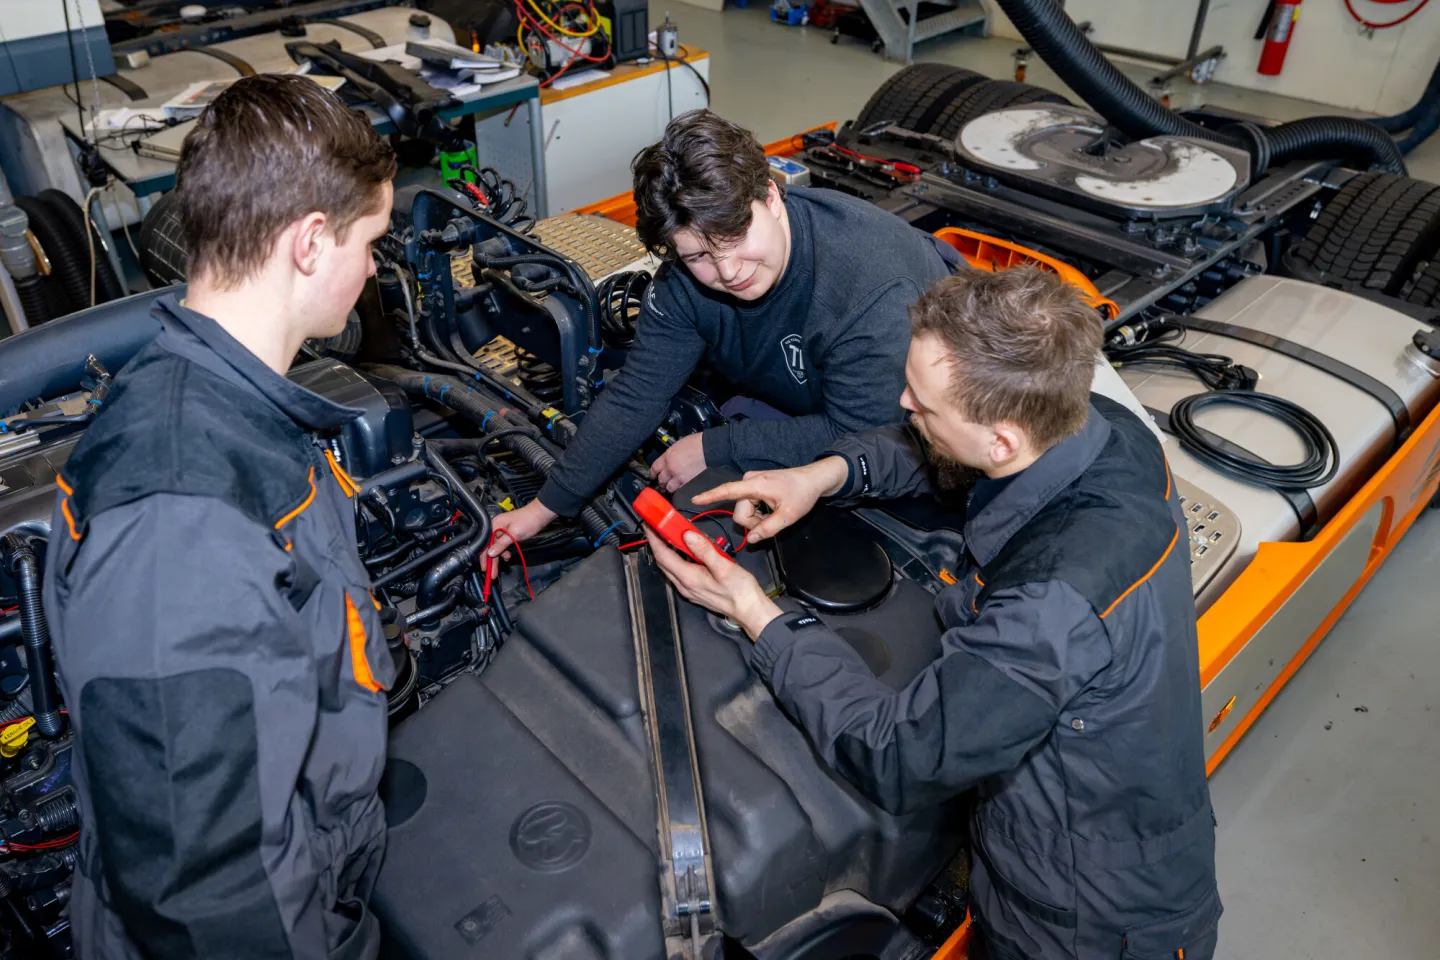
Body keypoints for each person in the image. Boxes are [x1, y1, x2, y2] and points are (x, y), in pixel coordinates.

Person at [644, 267, 1221, 960]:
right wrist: (822, 475)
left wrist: (755, 611)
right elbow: (942, 456)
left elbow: (897, 755)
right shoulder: (1108, 430)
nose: (902, 405)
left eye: (922, 405)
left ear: (1003, 439)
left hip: (1079, 917)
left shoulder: (1047, 609)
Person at [45, 75, 397, 959]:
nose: (376, 269)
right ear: (312, 242)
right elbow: (203, 885)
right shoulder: (180, 510)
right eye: (372, 242)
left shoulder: (221, 406)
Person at [488, 108, 961, 557]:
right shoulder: (685, 282)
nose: (729, 271)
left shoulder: (870, 291)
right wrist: (544, 507)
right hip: (801, 393)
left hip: (897, 431)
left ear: (772, 198)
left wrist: (719, 446)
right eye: (698, 256)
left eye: (736, 239)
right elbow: (637, 394)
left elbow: (862, 438)